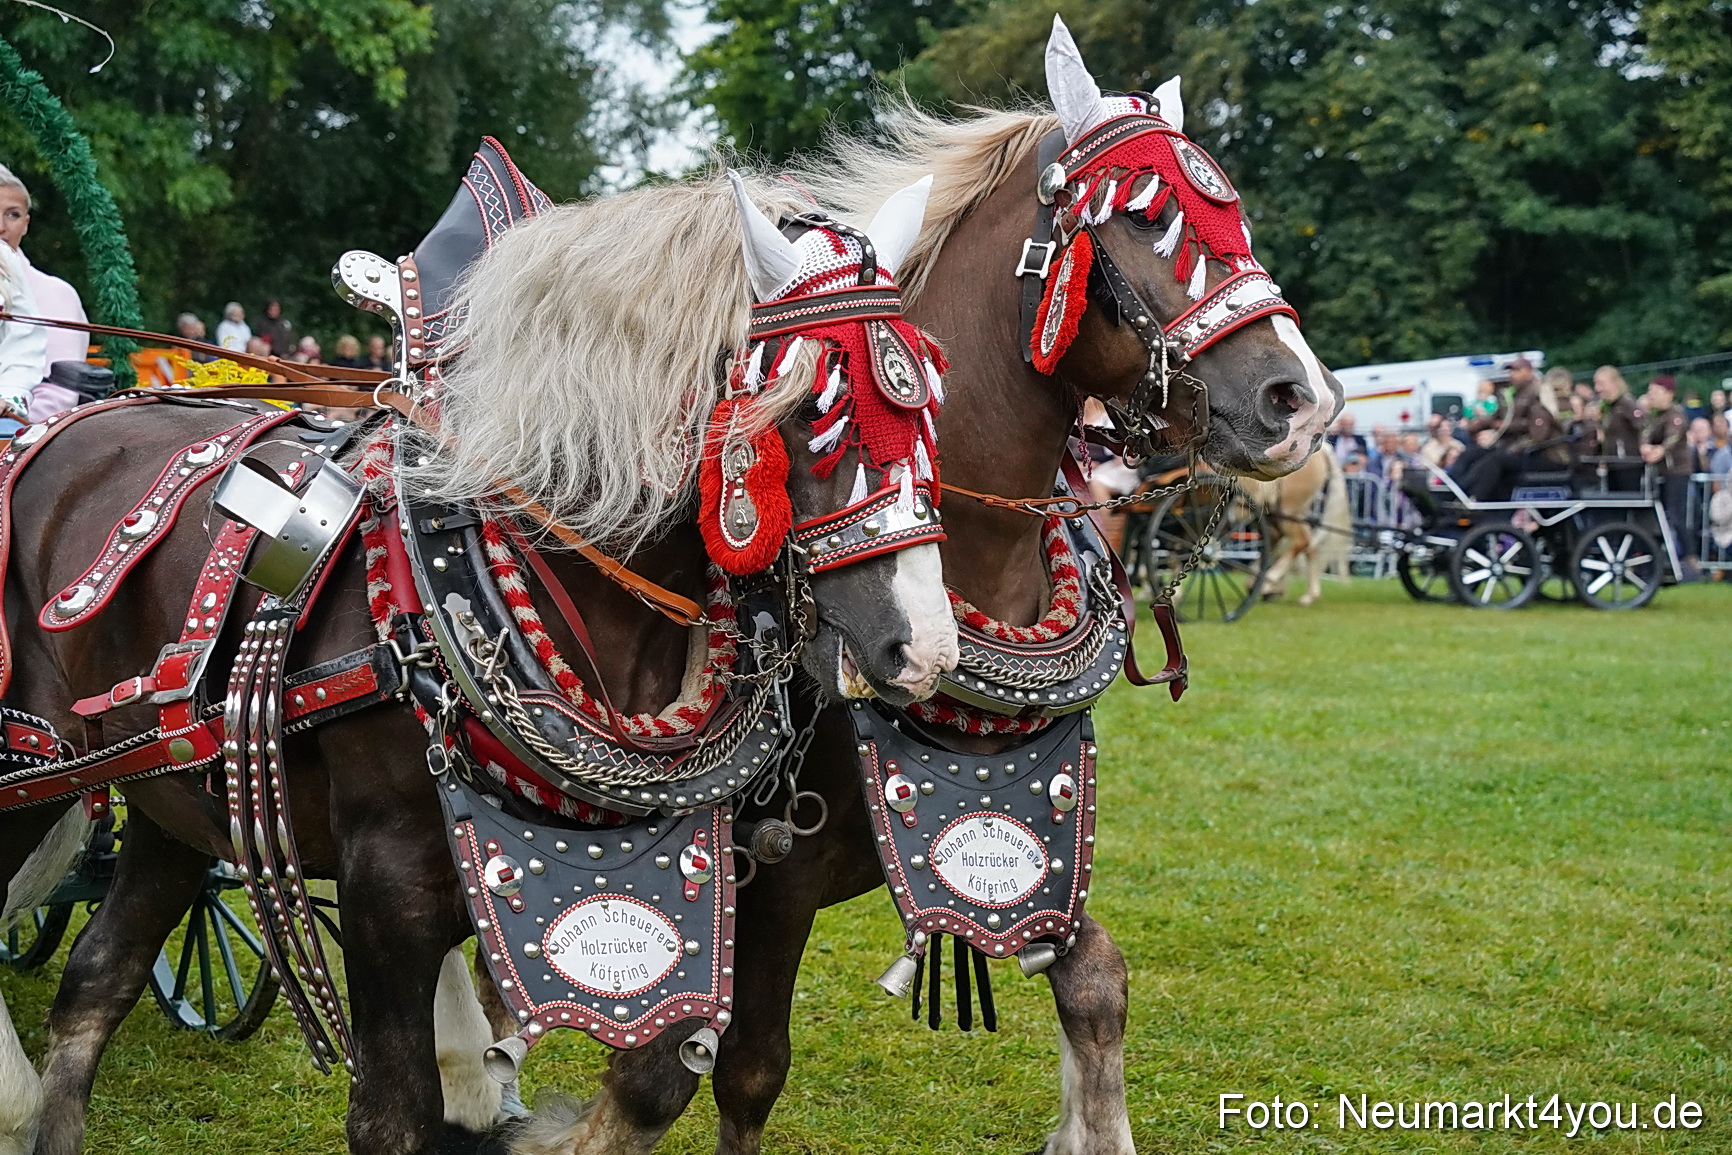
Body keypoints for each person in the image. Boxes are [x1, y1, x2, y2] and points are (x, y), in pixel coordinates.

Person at [0, 165, 89, 422]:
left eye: (12, 215)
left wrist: (10, 415)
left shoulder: (54, 294)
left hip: (22, 439)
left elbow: (59, 395)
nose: (1, 227)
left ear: (26, 224)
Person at [1452, 356, 1563, 499]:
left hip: (1541, 453)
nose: (1512, 374)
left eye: (1517, 370)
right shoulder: (1512, 395)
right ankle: (1455, 489)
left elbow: (1537, 434)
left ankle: (1475, 498)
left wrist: (1511, 443)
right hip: (1515, 447)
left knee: (1495, 460)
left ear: (1529, 372)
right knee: (1470, 454)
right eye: (1511, 371)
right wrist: (1477, 425)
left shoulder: (1538, 394)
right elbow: (1497, 417)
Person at [1642, 376, 1696, 579]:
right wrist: (1645, 446)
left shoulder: (1676, 416)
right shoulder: (1654, 416)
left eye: (1655, 392)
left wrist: (1659, 451)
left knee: (1676, 516)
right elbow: (1645, 433)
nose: (1651, 396)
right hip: (1662, 472)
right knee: (1659, 517)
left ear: (1669, 394)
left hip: (1677, 473)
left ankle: (1691, 561)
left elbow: (1672, 437)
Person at [1585, 365, 1645, 490]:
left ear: (1615, 383)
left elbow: (1643, 425)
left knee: (1629, 501)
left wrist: (1644, 446)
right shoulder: (1607, 407)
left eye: (1601, 383)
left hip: (1628, 463)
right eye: (1596, 384)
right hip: (1612, 462)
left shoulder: (1626, 404)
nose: (1597, 388)